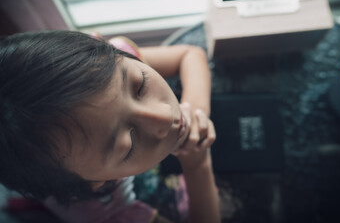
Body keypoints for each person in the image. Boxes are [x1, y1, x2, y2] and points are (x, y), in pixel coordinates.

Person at [0, 30, 220, 223]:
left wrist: (195, 109)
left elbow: (189, 54)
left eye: (140, 85)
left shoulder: (96, 63)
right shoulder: (101, 213)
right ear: (95, 182)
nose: (165, 116)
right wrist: (197, 164)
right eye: (129, 145)